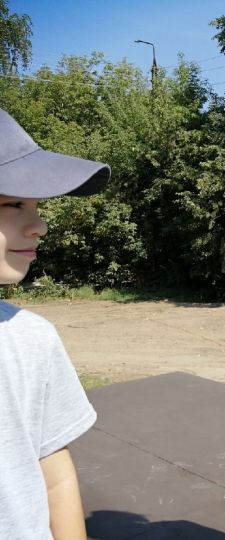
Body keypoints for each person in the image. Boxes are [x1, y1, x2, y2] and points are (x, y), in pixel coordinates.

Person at [0, 109, 110, 538]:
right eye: (12, 203)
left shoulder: (31, 338)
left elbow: (54, 472)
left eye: (37, 206)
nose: (40, 224)